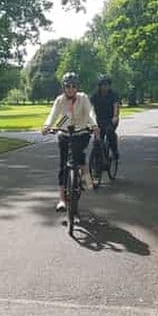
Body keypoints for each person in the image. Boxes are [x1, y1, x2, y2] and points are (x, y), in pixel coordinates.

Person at [41, 72, 99, 212]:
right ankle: (61, 199)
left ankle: (85, 178)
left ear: (77, 87)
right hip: (65, 133)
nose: (71, 89)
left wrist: (94, 125)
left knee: (78, 156)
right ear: (64, 87)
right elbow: (54, 114)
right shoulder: (60, 100)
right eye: (68, 86)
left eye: (73, 86)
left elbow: (90, 113)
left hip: (81, 132)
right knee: (63, 165)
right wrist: (47, 125)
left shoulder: (83, 98)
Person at [90, 74, 121, 160]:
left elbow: (116, 105)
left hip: (110, 120)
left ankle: (115, 151)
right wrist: (91, 119)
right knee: (97, 139)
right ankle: (98, 160)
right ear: (99, 86)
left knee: (110, 133)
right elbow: (91, 108)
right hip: (99, 120)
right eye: (102, 85)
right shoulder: (95, 96)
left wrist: (115, 116)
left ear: (109, 85)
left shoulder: (113, 95)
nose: (104, 87)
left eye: (106, 85)